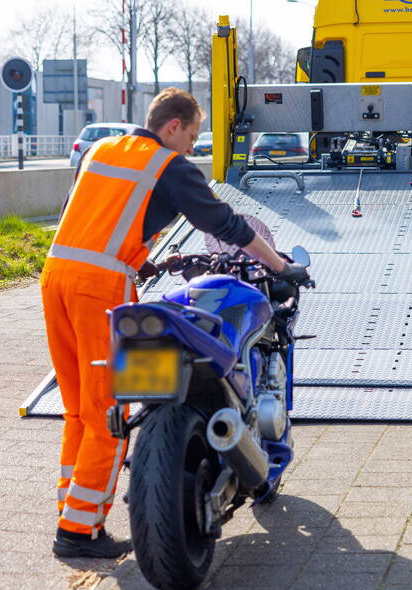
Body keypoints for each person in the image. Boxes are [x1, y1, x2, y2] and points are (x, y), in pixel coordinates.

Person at [42, 87, 310, 558]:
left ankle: (71, 508)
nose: (192, 146)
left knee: (78, 408)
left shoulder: (103, 150)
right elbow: (227, 225)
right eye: (191, 134)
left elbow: (81, 216)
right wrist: (279, 267)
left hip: (56, 274)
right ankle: (80, 534)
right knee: (109, 409)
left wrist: (137, 258)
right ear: (172, 127)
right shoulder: (166, 164)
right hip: (100, 286)